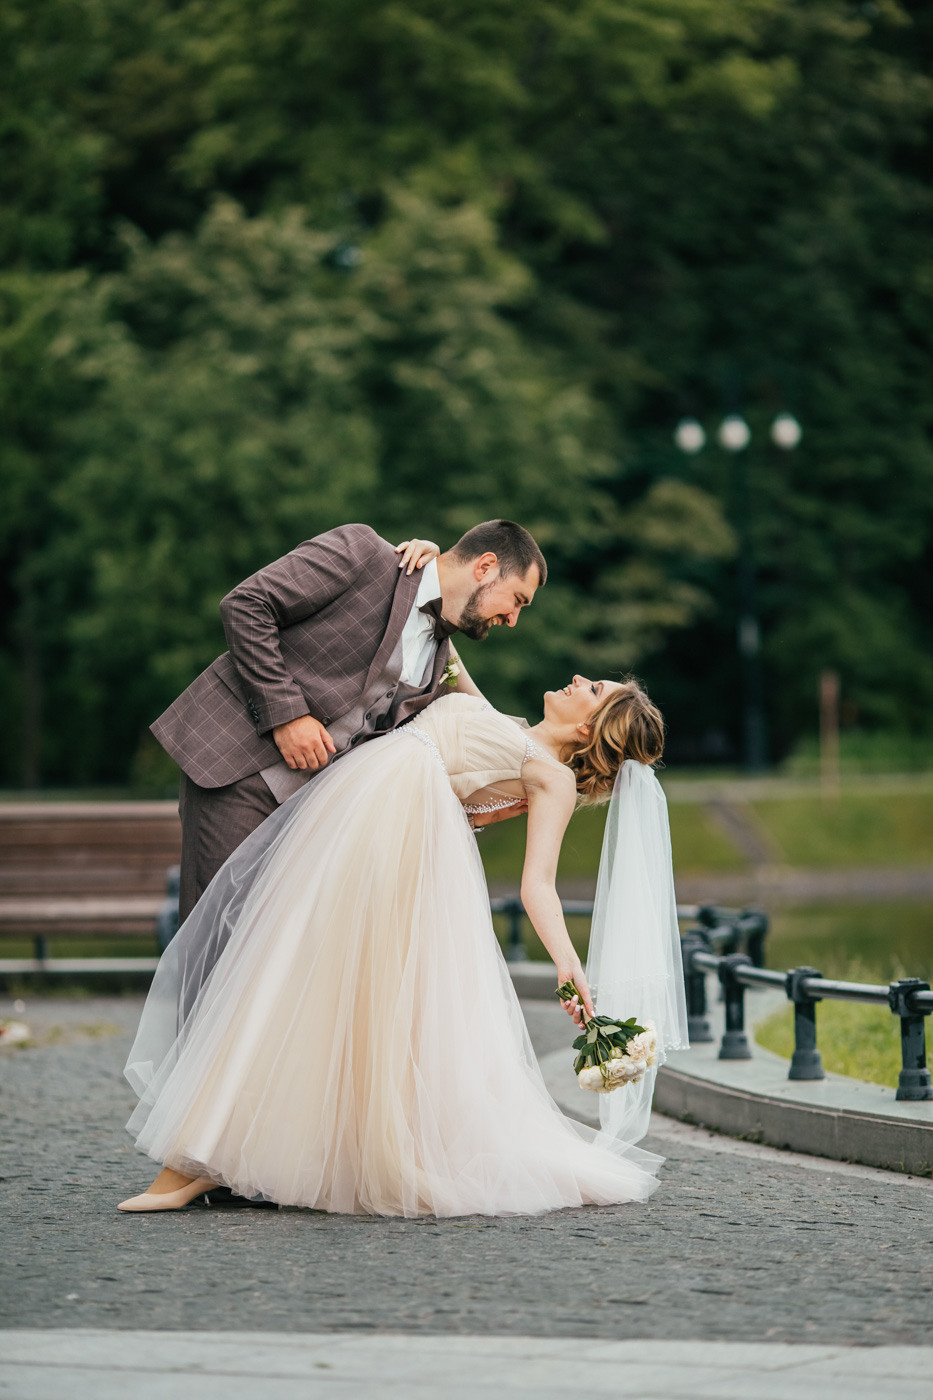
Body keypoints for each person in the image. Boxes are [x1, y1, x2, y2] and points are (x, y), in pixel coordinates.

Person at [119, 673, 688, 1218]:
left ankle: (206, 1155)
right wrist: (423, 572)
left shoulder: (552, 779)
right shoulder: (509, 724)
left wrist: (569, 965)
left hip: (383, 846)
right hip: (348, 824)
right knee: (292, 982)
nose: (578, 680)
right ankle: (224, 1150)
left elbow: (538, 884)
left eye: (592, 690)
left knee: (292, 984)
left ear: (590, 730)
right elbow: (451, 661)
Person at [151, 520, 546, 925]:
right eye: (517, 599)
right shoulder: (364, 552)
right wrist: (287, 716)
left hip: (310, 819)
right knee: (214, 945)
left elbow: (486, 725)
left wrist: (560, 758)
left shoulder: (442, 657)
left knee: (263, 964)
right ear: (485, 567)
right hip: (240, 768)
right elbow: (247, 605)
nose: (513, 619)